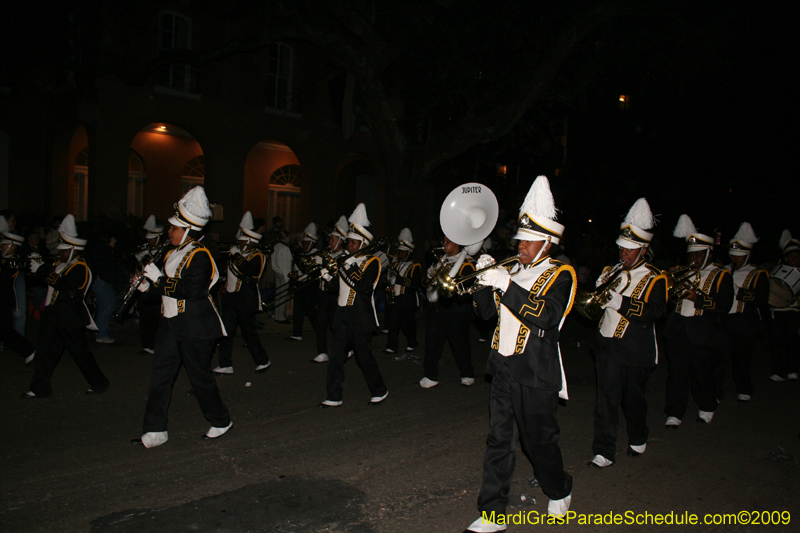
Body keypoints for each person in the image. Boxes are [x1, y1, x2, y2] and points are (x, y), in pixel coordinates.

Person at [466, 176, 574, 532]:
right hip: (503, 366)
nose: (520, 246)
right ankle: (492, 513)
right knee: (499, 440)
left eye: (528, 240)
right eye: (520, 239)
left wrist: (505, 284)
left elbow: (547, 317)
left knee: (538, 442)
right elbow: (486, 315)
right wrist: (482, 280)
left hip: (536, 371)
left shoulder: (561, 274)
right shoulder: (511, 270)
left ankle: (559, 488)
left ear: (547, 242)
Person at [131, 186, 231, 448]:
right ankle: (155, 429)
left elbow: (191, 290)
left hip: (195, 326)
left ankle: (221, 420)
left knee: (199, 378)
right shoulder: (172, 252)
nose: (169, 231)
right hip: (170, 324)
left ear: (187, 230)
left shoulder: (200, 255)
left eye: (173, 228)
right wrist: (146, 287)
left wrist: (159, 280)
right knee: (160, 377)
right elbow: (165, 290)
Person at [588, 199, 667, 468]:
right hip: (607, 344)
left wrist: (619, 302)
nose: (624, 253)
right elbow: (596, 307)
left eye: (630, 249)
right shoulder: (610, 271)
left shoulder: (655, 277)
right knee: (606, 399)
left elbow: (655, 311)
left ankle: (638, 435)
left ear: (643, 249)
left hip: (635, 348)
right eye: (622, 248)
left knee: (633, 400)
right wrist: (599, 293)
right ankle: (604, 450)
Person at [25, 215, 110, 397]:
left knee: (80, 354)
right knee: (45, 352)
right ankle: (39, 388)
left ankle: (99, 383)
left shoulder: (80, 267)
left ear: (72, 250)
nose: (59, 253)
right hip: (53, 314)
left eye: (63, 251)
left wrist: (42, 270)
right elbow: (49, 280)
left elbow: (67, 288)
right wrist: (38, 267)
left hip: (69, 317)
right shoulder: (62, 264)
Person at [663, 215, 734, 426]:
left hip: (704, 332)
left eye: (699, 254)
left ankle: (707, 405)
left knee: (702, 373)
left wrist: (698, 299)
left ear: (709, 253)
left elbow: (724, 305)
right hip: (678, 329)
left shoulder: (721, 275)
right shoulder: (682, 271)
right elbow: (669, 301)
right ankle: (675, 411)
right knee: (676, 373)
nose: (693, 258)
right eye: (691, 254)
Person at [319, 203, 388, 407]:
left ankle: (379, 390)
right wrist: (326, 277)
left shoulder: (372, 262)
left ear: (363, 243)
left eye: (353, 242)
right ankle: (334, 395)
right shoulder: (345, 262)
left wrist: (345, 267)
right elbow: (336, 288)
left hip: (360, 316)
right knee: (335, 356)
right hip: (342, 314)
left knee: (364, 358)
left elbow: (362, 286)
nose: (349, 245)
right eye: (348, 241)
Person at [213, 211, 271, 374]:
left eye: (242, 238)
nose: (238, 240)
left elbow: (248, 271)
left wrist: (236, 255)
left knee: (248, 333)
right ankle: (225, 364)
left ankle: (263, 360)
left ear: (250, 240)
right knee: (226, 332)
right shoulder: (235, 253)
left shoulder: (258, 256)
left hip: (246, 299)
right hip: (230, 297)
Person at [419, 236, 477, 388]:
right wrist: (428, 280)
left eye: (447, 241)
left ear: (457, 243)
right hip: (437, 307)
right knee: (431, 343)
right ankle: (430, 375)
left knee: (460, 344)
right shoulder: (440, 261)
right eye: (443, 241)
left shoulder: (467, 264)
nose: (443, 244)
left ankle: (467, 373)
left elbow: (466, 287)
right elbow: (427, 281)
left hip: (456, 309)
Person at [722, 223, 768, 401]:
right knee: (720, 356)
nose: (735, 259)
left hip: (743, 321)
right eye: (733, 256)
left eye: (739, 257)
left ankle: (744, 388)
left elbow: (761, 299)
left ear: (747, 256)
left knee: (742, 358)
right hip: (723, 319)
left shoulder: (757, 273)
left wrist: (738, 291)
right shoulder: (724, 270)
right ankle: (716, 390)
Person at [312, 215, 348, 363]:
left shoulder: (345, 257)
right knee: (320, 323)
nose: (330, 242)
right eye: (330, 239)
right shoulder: (326, 254)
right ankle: (322, 352)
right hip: (323, 293)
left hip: (335, 296)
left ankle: (345, 349)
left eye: (333, 240)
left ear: (340, 241)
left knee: (335, 325)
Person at [0, 218, 36, 365]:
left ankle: (29, 350)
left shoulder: (12, 262)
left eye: (4, 245)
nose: (2, 247)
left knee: (5, 331)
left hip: (3, 301)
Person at [767, 230, 800, 382]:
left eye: (797, 256)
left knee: (792, 341)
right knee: (776, 342)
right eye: (791, 256)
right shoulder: (776, 269)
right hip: (776, 311)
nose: (794, 258)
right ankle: (778, 371)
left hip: (793, 311)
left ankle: (792, 369)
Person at [383, 228, 421, 356]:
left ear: (409, 252)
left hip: (407, 299)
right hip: (396, 298)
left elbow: (416, 284)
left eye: (403, 252)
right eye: (399, 251)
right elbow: (390, 278)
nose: (400, 254)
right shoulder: (396, 263)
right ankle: (391, 346)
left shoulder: (414, 265)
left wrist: (399, 280)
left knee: (407, 324)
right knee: (393, 323)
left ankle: (412, 342)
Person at [134, 215, 166, 354]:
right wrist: (140, 260)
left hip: (156, 289)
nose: (149, 241)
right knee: (144, 317)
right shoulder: (146, 251)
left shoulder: (163, 253)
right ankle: (146, 345)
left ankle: (154, 345)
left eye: (151, 239)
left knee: (154, 318)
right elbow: (141, 268)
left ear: (158, 238)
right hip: (144, 288)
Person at [288, 222, 320, 341]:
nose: (305, 245)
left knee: (310, 309)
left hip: (310, 285)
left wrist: (298, 261)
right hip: (300, 284)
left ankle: (319, 330)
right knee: (298, 309)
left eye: (307, 243)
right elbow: (297, 269)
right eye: (304, 243)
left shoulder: (317, 255)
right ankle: (297, 333)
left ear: (312, 243)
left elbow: (308, 270)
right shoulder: (302, 254)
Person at [89, 230, 119, 344]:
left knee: (106, 306)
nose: (115, 241)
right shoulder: (103, 251)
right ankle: (101, 334)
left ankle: (99, 331)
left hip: (103, 282)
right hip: (102, 282)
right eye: (113, 239)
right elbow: (104, 267)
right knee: (106, 307)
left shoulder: (102, 250)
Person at [270, 231, 292, 324]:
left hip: (277, 272)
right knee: (283, 295)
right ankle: (281, 317)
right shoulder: (285, 248)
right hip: (283, 273)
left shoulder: (276, 246)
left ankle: (277, 315)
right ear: (285, 238)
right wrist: (288, 277)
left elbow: (272, 259)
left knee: (278, 294)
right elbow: (286, 264)